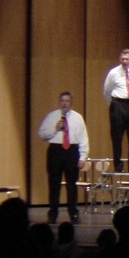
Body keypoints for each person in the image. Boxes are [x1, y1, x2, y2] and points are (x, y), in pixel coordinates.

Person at [38, 92, 89, 224]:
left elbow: (83, 138)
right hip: (55, 150)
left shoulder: (77, 117)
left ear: (71, 103)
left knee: (71, 184)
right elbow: (41, 134)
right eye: (62, 100)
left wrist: (83, 157)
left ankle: (73, 213)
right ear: (59, 102)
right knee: (54, 184)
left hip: (72, 151)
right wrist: (55, 129)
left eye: (67, 101)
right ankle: (53, 213)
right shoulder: (52, 116)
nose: (64, 103)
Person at [102, 48, 129, 173]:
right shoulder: (113, 72)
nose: (125, 61)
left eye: (127, 59)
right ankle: (118, 166)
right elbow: (107, 90)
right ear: (120, 59)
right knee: (117, 137)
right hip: (118, 104)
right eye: (123, 59)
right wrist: (113, 104)